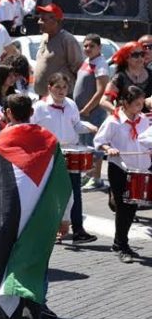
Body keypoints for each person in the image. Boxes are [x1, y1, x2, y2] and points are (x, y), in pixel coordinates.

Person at [0, 94, 72, 319]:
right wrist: (64, 218)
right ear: (31, 112)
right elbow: (62, 184)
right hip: (39, 224)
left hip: (4, 222)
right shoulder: (50, 141)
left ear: (8, 113)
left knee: (2, 276)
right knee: (32, 279)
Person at [32, 73, 98, 244]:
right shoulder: (39, 107)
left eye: (64, 87)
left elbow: (76, 125)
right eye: (57, 87)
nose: (61, 91)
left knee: (74, 192)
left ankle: (78, 230)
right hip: (50, 154)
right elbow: (31, 129)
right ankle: (52, 229)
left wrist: (88, 127)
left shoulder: (71, 104)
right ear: (49, 87)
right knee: (52, 194)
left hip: (71, 153)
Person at [94, 86, 152, 263]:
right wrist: (109, 148)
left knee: (132, 207)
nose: (140, 107)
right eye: (137, 104)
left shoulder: (143, 120)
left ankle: (119, 243)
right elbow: (99, 141)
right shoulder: (113, 121)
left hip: (139, 167)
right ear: (125, 103)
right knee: (123, 207)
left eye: (142, 104)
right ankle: (122, 245)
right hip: (119, 168)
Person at [75, 34, 110, 190]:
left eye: (91, 46)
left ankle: (96, 179)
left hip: (93, 113)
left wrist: (87, 109)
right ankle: (89, 175)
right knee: (85, 146)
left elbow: (101, 91)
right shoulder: (88, 61)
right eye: (85, 46)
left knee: (94, 146)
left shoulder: (100, 64)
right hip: (83, 113)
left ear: (99, 47)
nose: (88, 48)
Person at [32, 4, 83, 96]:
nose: (39, 22)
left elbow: (77, 67)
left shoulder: (67, 40)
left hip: (60, 97)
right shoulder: (44, 37)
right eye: (39, 18)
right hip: (44, 95)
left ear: (56, 21)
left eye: (43, 19)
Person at [100, 41, 152, 114]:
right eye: (135, 55)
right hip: (126, 120)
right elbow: (104, 101)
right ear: (126, 58)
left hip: (147, 119)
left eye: (142, 54)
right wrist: (119, 113)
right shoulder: (120, 77)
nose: (140, 58)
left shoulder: (150, 74)